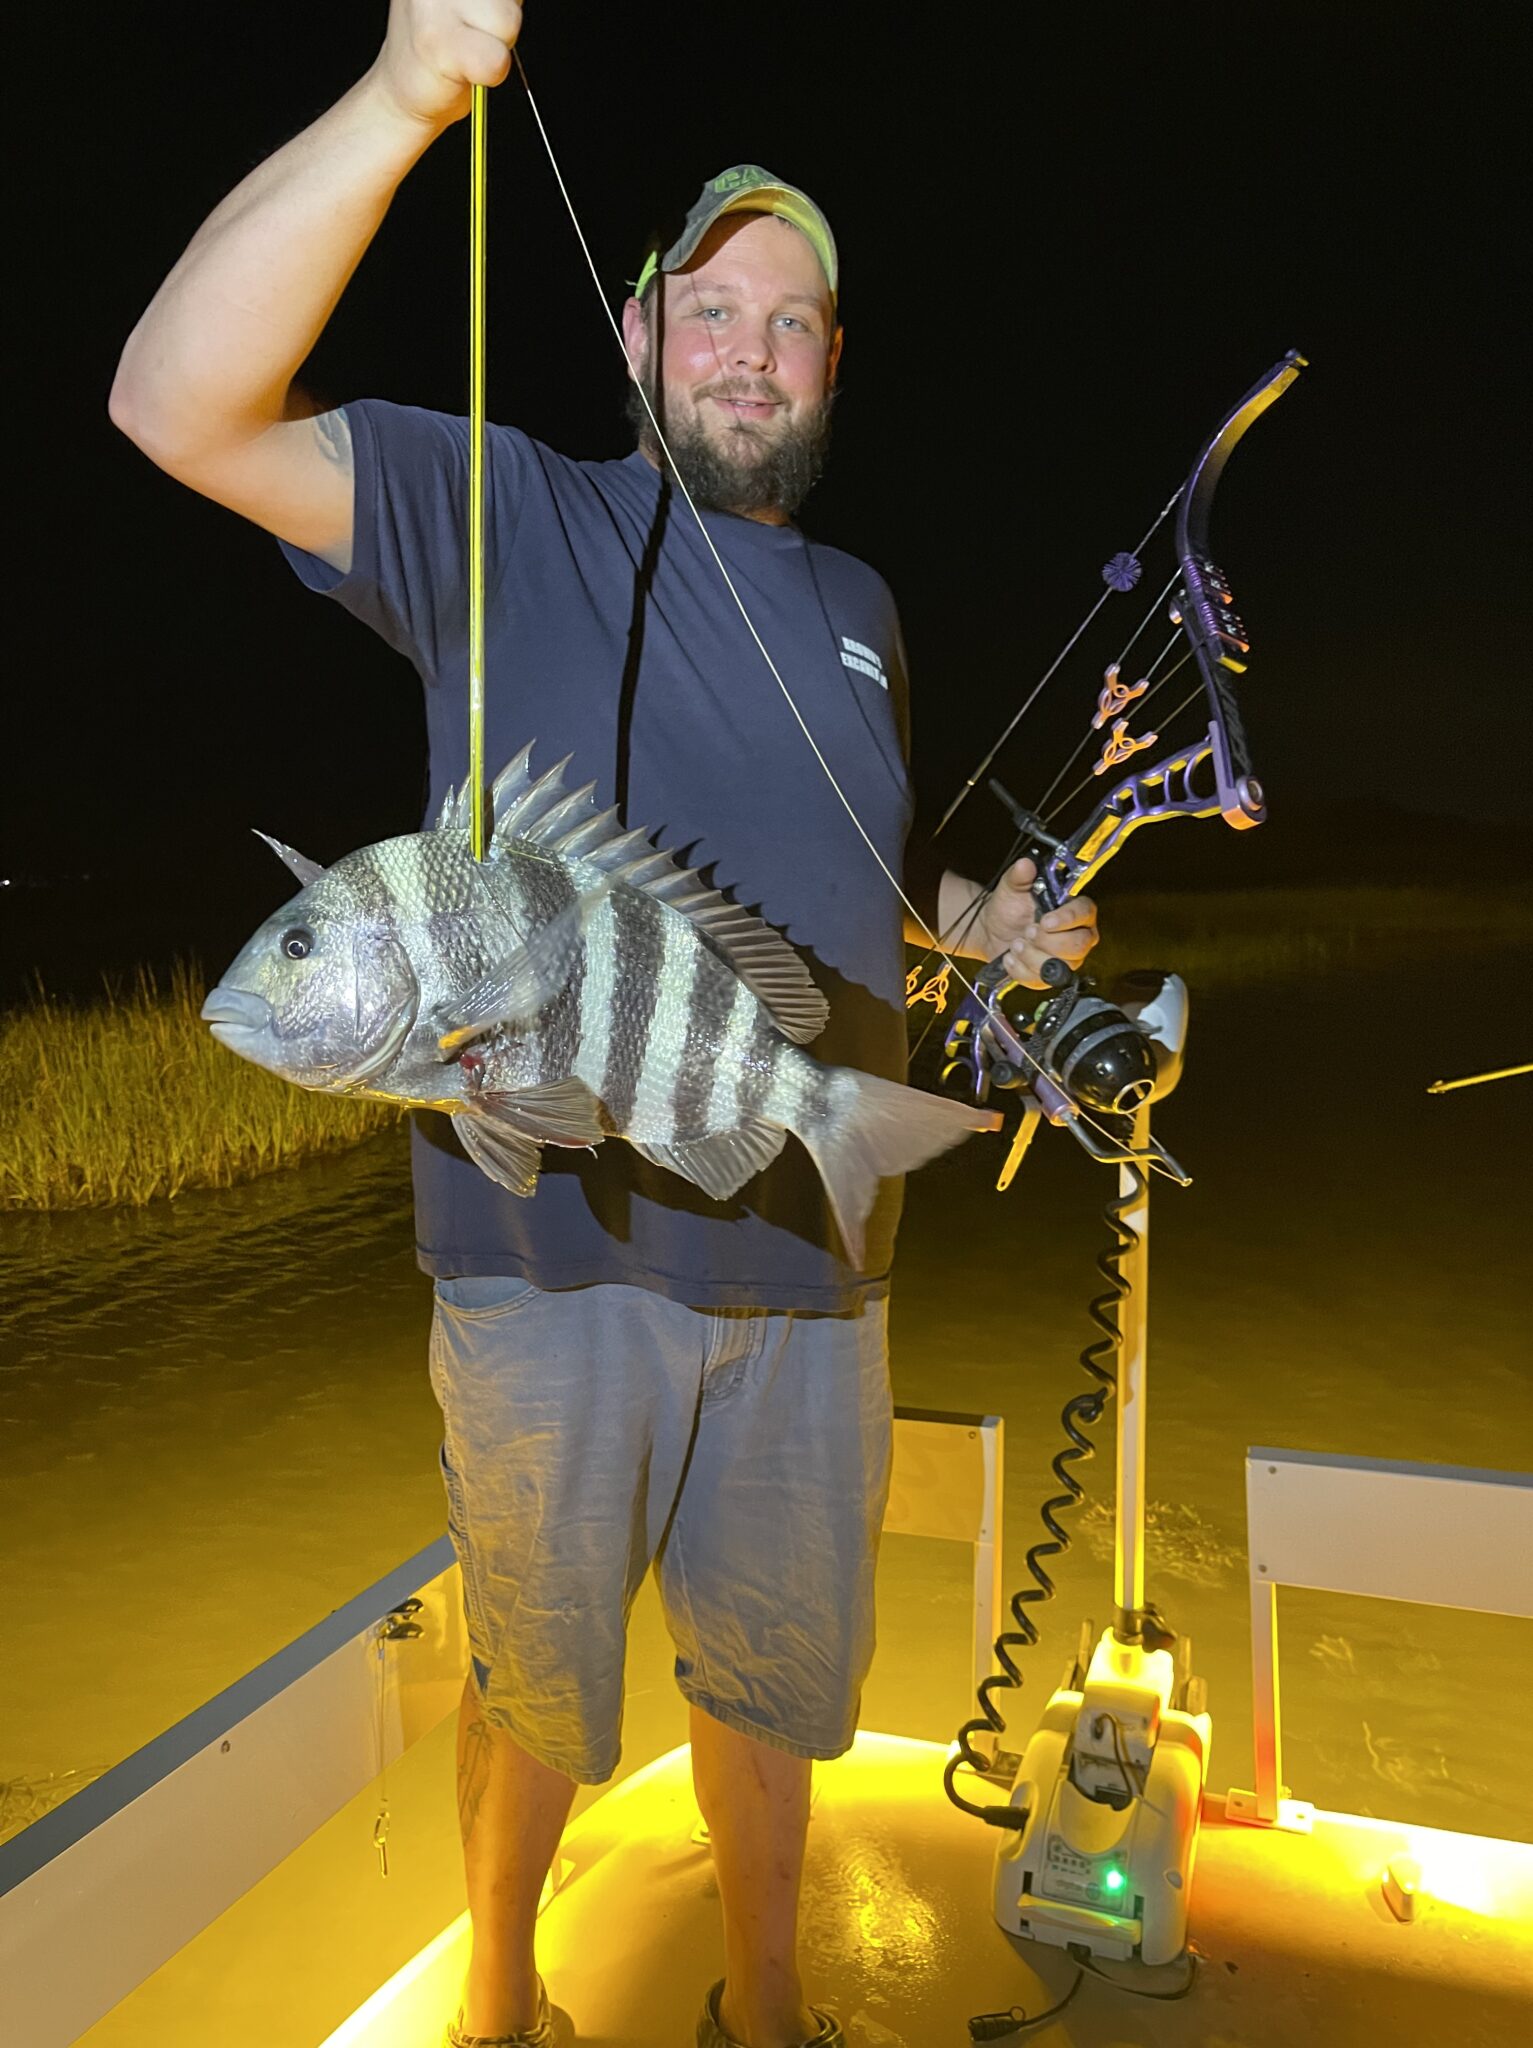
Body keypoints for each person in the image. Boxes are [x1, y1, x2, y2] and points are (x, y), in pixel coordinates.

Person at [109, 7, 1100, 2045]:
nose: (752, 345)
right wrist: (403, 95)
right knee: (539, 1683)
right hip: (551, 1264)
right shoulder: (510, 517)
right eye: (714, 307)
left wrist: (979, 935)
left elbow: (844, 899)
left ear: (831, 366)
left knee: (768, 1695)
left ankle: (767, 1999)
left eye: (794, 317)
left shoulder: (868, 610)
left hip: (819, 1270)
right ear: (640, 334)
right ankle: (499, 1997)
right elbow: (174, 404)